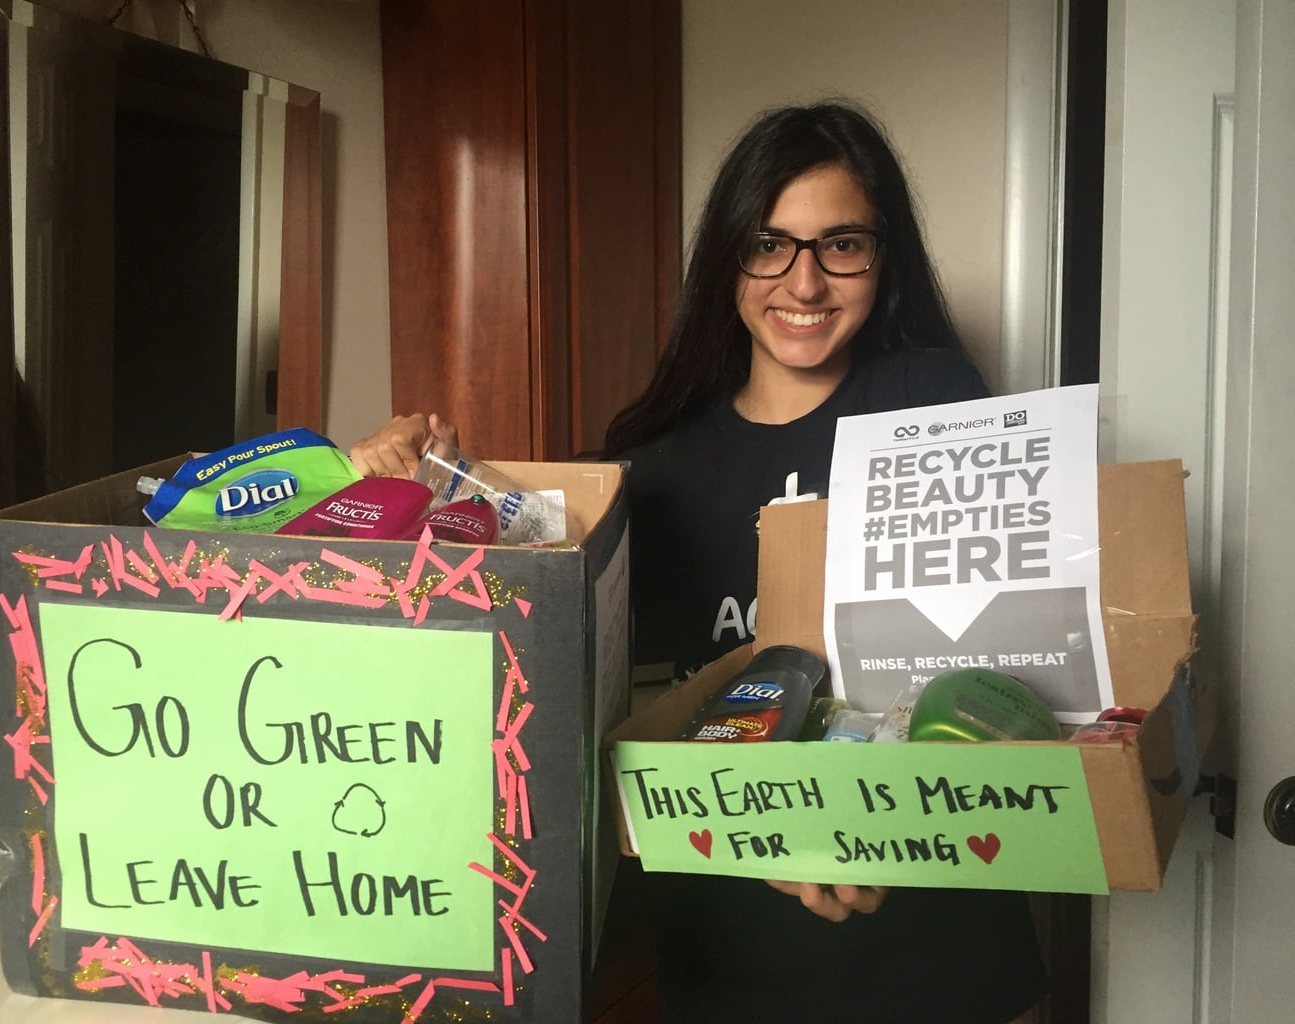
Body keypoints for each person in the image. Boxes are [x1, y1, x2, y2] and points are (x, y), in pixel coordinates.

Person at [351, 99, 1047, 1023]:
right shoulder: (649, 459)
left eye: (841, 244)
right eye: (769, 243)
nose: (803, 282)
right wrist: (392, 486)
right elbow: (568, 648)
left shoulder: (930, 404)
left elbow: (992, 665)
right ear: (727, 257)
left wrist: (870, 830)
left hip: (931, 957)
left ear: (884, 260)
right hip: (726, 958)